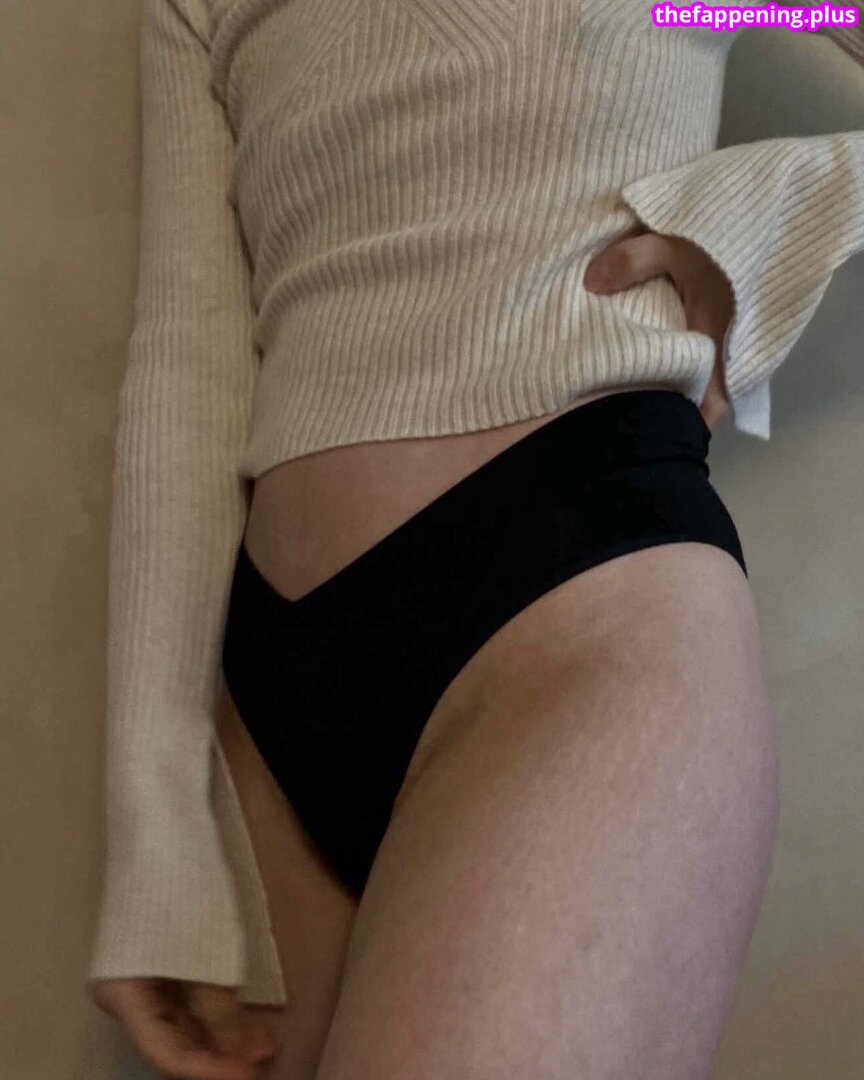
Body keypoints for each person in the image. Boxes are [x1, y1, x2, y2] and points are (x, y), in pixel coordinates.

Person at [89, 1, 864, 1077]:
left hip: (571, 619)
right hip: (274, 695)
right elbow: (187, 368)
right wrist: (155, 839)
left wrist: (775, 212)